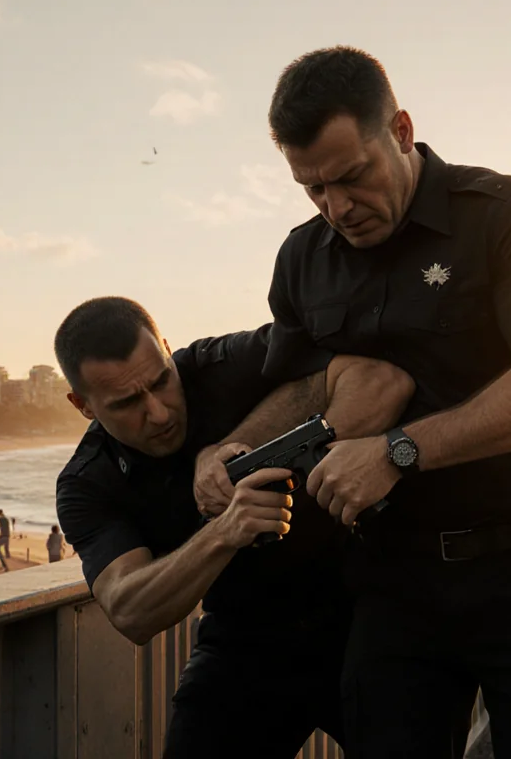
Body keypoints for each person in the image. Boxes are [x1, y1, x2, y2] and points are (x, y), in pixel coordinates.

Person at [262, 47, 511, 757]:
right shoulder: (303, 258)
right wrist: (227, 448)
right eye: (313, 190)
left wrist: (399, 452)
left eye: (353, 177)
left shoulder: (508, 213)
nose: (338, 208)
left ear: (402, 131)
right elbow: (295, 392)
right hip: (392, 583)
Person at [54, 297, 413, 758]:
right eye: (127, 403)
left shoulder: (222, 363)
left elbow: (382, 380)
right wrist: (224, 531)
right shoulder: (89, 480)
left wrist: (237, 453)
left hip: (366, 613)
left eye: (162, 381)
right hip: (247, 636)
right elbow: (130, 610)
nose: (159, 413)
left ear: (167, 348)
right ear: (81, 404)